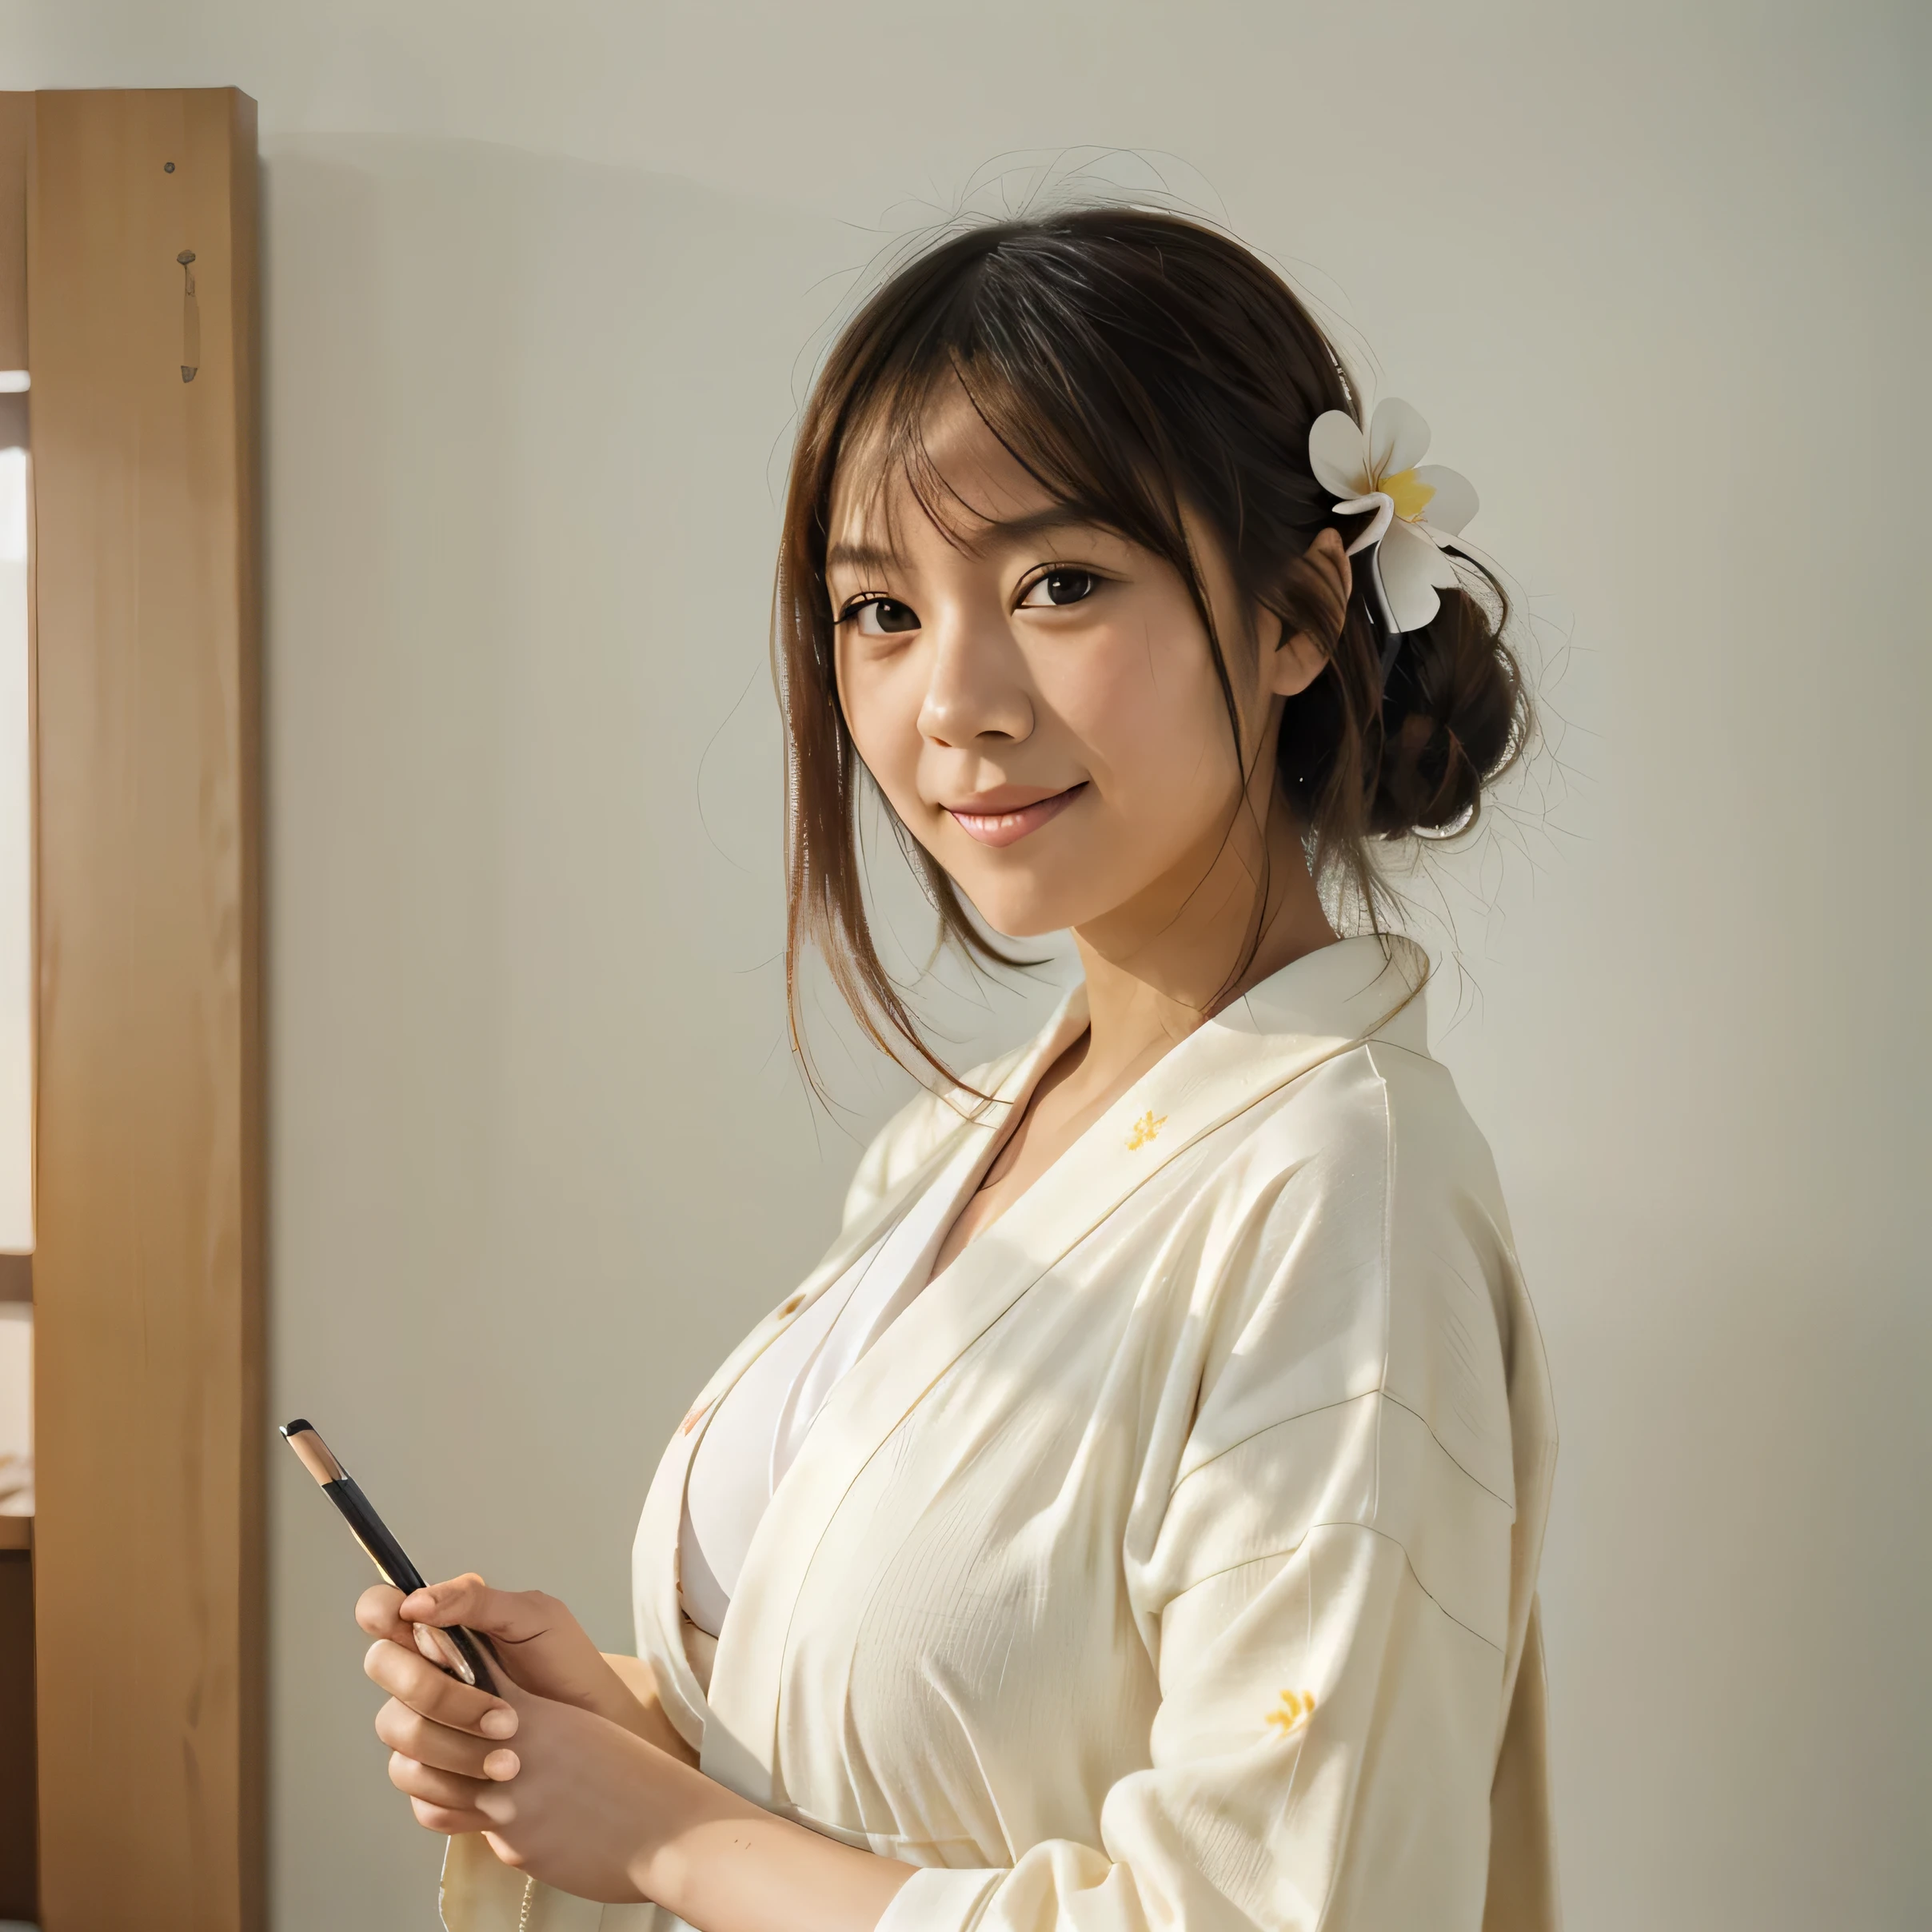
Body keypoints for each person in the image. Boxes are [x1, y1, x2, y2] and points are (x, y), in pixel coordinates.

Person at [355, 206, 1559, 1932]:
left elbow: (1265, 1905)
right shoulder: (960, 1137)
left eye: (1057, 584)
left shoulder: (1341, 1190)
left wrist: (667, 1839)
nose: (951, 699)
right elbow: (914, 1760)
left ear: (1298, 612)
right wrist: (614, 1733)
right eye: (877, 610)